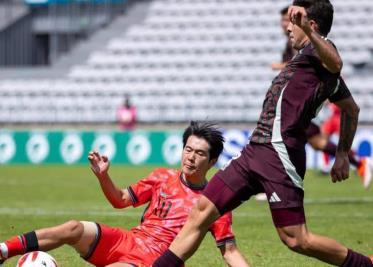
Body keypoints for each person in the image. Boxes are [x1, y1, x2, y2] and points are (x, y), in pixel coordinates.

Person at [153, 1, 373, 266]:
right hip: (254, 150)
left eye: (294, 21)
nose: (289, 28)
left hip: (280, 155)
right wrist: (340, 154)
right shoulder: (309, 63)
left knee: (296, 239)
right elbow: (352, 108)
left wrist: (340, 155)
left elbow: (337, 65)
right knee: (201, 210)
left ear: (311, 25)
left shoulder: (322, 50)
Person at [0, 122, 250, 267]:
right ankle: (3, 250)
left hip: (157, 260)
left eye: (200, 153)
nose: (191, 157)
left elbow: (229, 251)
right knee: (74, 228)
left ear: (213, 160)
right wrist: (103, 176)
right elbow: (120, 200)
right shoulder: (162, 176)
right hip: (129, 241)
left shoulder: (214, 202)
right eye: (188, 149)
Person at [270, 5, 371, 189]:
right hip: (295, 105)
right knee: (316, 142)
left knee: (304, 139)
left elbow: (324, 67)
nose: (286, 25)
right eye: (284, 21)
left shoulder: (311, 44)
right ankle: (358, 161)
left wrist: (281, 66)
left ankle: (270, 183)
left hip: (299, 108)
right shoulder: (292, 43)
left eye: (289, 20)